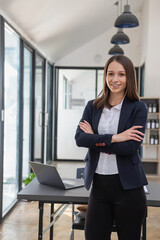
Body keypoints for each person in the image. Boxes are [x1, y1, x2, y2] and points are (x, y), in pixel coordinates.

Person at [75, 55, 148, 240]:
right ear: (105, 76)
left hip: (129, 188)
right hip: (99, 187)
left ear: (129, 77)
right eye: (111, 74)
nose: (115, 79)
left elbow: (130, 147)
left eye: (121, 74)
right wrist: (116, 137)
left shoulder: (138, 108)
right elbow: (80, 139)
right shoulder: (93, 106)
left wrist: (96, 140)